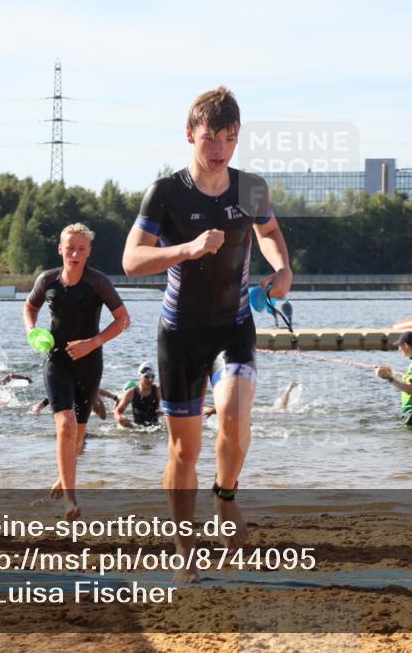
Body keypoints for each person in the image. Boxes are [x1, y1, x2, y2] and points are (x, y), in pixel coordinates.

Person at [122, 86, 292, 579]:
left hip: (234, 325)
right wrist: (187, 248)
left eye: (230, 139)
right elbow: (131, 261)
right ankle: (182, 542)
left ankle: (225, 498)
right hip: (180, 334)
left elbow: (270, 233)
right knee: (184, 450)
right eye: (211, 138)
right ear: (190, 134)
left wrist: (282, 271)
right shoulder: (166, 192)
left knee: (238, 419)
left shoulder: (250, 189)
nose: (220, 149)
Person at [24, 223, 130, 521]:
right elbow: (29, 307)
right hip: (56, 361)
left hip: (90, 364)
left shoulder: (98, 282)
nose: (75, 253)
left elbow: (122, 320)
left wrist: (92, 342)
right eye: (70, 248)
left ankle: (63, 477)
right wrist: (32, 331)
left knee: (79, 437)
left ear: (88, 252)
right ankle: (71, 500)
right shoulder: (47, 280)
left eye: (81, 249)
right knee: (66, 426)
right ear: (60, 249)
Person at [114, 363, 161, 428]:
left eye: (152, 376)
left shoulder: (158, 391)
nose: (150, 380)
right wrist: (119, 419)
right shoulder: (130, 393)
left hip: (155, 428)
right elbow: (118, 411)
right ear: (140, 376)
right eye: (147, 376)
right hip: (137, 429)